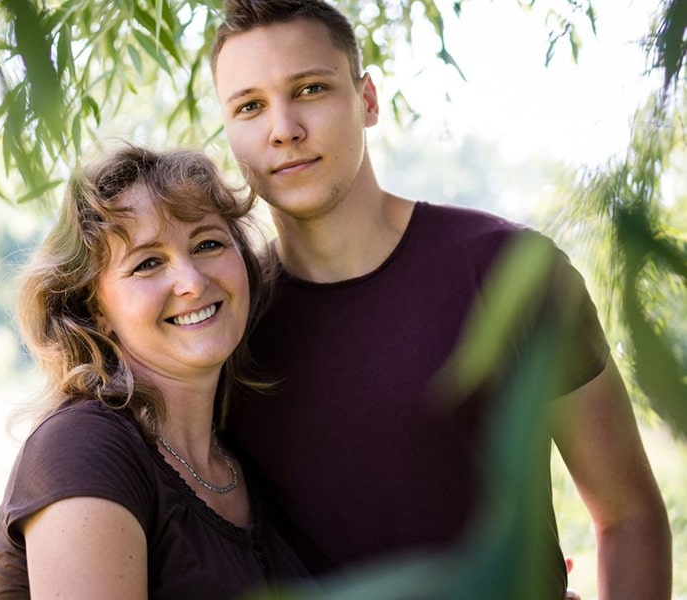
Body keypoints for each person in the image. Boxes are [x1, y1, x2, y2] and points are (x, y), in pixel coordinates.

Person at [209, 1, 673, 598]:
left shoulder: (513, 271)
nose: (283, 128)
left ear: (367, 99)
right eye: (250, 106)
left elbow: (628, 515)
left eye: (310, 89)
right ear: (230, 131)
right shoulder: (226, 325)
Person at [0, 145, 311, 599]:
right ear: (94, 308)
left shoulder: (239, 455)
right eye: (147, 263)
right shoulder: (83, 447)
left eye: (208, 244)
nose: (192, 282)